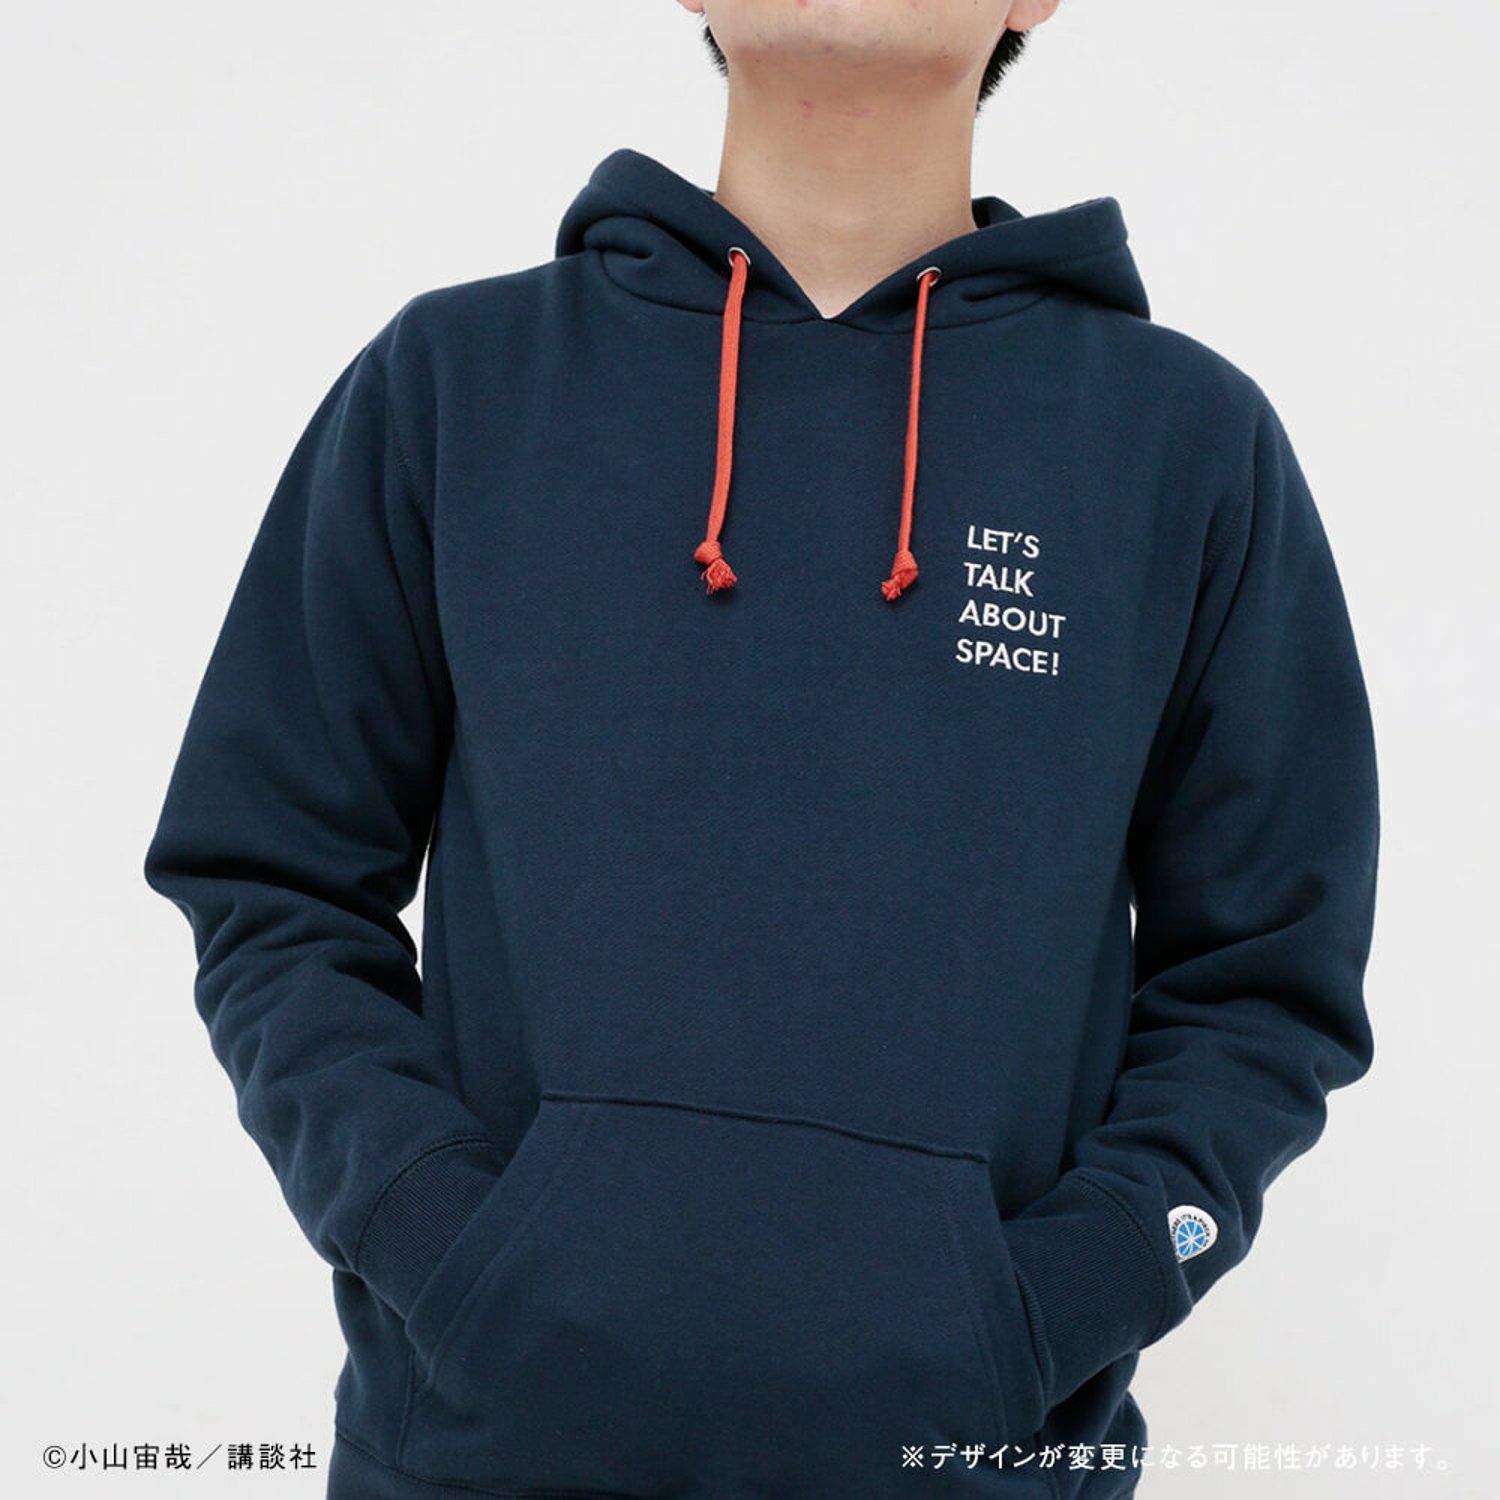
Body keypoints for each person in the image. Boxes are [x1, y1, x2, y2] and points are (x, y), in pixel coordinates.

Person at [144, 3, 1380, 1497]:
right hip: (479, 1460)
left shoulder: (1185, 444)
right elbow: (269, 879)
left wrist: (1052, 1307)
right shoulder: (455, 383)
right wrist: (441, 1244)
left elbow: (1265, 982)